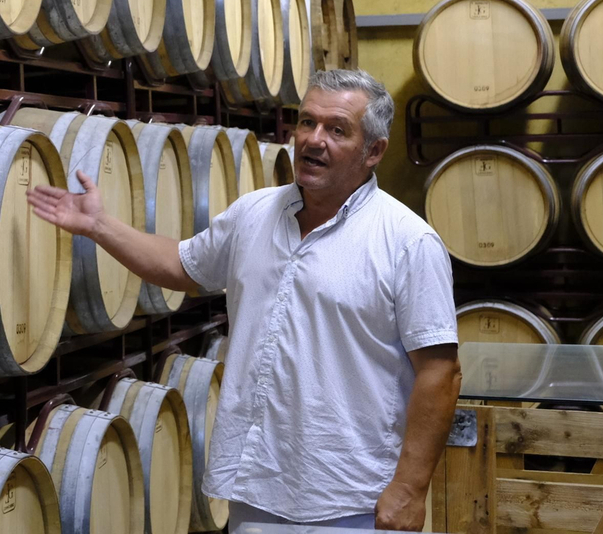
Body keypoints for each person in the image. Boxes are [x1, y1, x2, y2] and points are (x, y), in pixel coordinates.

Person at [28, 69, 460, 531]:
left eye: (337, 130)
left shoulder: (408, 242)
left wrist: (411, 488)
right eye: (307, 122)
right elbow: (179, 265)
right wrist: (99, 226)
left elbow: (439, 371)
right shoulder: (254, 213)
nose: (314, 140)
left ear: (374, 151)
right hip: (255, 487)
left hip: (351, 498)